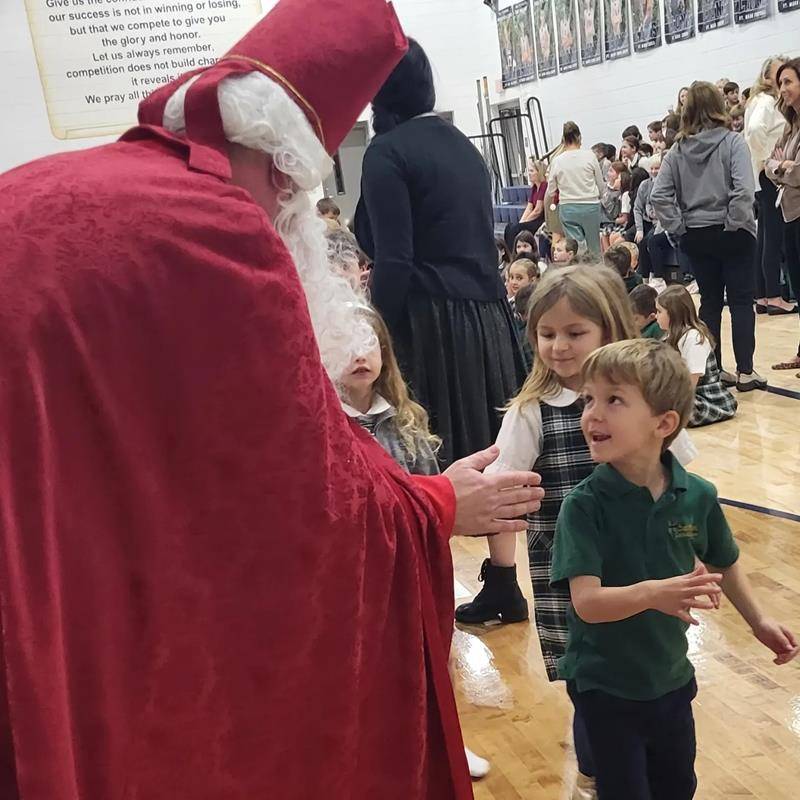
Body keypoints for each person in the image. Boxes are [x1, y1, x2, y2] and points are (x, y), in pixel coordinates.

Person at [0, 3, 549, 798]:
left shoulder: (85, 181)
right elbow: (294, 506)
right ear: (288, 167)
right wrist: (434, 504)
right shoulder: (220, 227)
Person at [455, 264, 697, 799]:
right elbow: (501, 481)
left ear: (611, 330)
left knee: (650, 668)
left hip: (646, 567)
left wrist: (691, 545)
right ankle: (597, 772)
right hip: (567, 576)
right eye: (546, 333)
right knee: (588, 681)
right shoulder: (531, 411)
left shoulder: (649, 404)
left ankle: (646, 762)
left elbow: (683, 473)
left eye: (574, 332)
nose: (558, 346)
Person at [552, 337, 798, 800]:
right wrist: (652, 593)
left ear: (663, 423)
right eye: (589, 399)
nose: (592, 414)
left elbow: (725, 561)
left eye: (613, 400)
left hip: (670, 680)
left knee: (677, 788)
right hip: (604, 687)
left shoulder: (698, 495)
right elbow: (587, 604)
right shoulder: (583, 506)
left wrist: (759, 621)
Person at [356, 40, 527, 467]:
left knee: (439, 468)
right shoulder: (463, 145)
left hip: (431, 323)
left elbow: (395, 259)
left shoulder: (387, 151)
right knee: (492, 463)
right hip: (489, 320)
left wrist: (375, 329)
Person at [338, 305, 491, 780]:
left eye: (370, 344)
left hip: (417, 569)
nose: (359, 356)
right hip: (357, 579)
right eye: (344, 344)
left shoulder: (407, 421)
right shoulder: (324, 427)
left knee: (431, 658)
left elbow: (429, 496)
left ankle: (444, 739)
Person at [650, 81, 765, 392]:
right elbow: (743, 191)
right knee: (741, 302)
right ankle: (746, 372)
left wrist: (678, 229)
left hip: (697, 235)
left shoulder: (676, 151)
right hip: (735, 233)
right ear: (719, 106)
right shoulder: (733, 143)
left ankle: (713, 371)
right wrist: (734, 223)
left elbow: (659, 196)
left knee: (710, 304)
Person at [744, 55, 795, 315]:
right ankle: (774, 295)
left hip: (764, 174)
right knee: (773, 236)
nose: (781, 83)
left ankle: (764, 295)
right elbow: (754, 130)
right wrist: (766, 158)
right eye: (778, 77)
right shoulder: (765, 101)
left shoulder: (758, 100)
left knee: (765, 235)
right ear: (766, 77)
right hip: (771, 173)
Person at [657, 285, 738, 427]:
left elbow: (691, 383)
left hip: (705, 398)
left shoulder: (693, 339)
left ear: (673, 313)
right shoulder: (671, 336)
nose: (655, 315)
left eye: (659, 311)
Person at [766, 57, 800, 377]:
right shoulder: (790, 130)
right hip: (790, 212)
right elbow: (769, 164)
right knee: (798, 285)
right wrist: (782, 168)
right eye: (780, 83)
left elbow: (799, 171)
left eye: (788, 82)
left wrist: (787, 168)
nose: (783, 89)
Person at [546, 121, 604, 258]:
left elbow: (551, 190)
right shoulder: (590, 156)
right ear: (579, 137)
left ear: (564, 140)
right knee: (594, 247)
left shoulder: (557, 160)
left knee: (576, 247)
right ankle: (597, 276)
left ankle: (579, 275)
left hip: (568, 207)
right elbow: (600, 184)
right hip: (591, 206)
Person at [504, 158, 547, 251]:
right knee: (509, 227)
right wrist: (521, 222)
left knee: (516, 229)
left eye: (532, 171)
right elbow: (529, 207)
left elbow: (538, 210)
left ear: (539, 172)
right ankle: (509, 254)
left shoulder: (544, 186)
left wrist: (524, 223)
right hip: (533, 218)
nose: (529, 174)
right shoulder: (534, 188)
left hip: (541, 220)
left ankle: (513, 254)